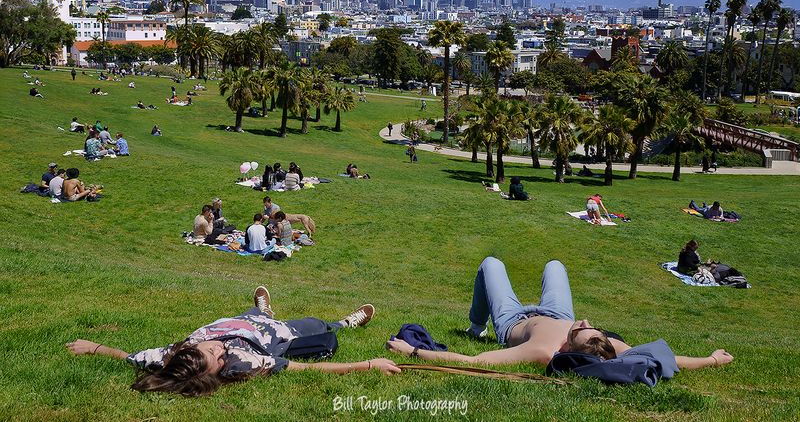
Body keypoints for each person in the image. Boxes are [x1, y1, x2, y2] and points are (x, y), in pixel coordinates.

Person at [386, 257, 733, 372]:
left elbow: (475, 360)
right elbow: (664, 358)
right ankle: (478, 321)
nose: (583, 323)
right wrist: (712, 359)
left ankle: (477, 324)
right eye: (588, 326)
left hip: (514, 321)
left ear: (568, 348)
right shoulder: (605, 346)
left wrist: (413, 351)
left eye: (578, 331)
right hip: (555, 311)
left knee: (491, 264)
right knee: (555, 264)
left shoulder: (541, 352)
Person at [66, 288, 390, 397]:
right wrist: (367, 364)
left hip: (245, 319)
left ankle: (263, 309)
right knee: (320, 331)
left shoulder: (173, 355)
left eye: (207, 348)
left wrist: (95, 347)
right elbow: (301, 367)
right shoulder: (241, 363)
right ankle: (346, 322)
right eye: (215, 355)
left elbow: (129, 357)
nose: (217, 347)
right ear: (219, 369)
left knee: (252, 314)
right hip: (276, 334)